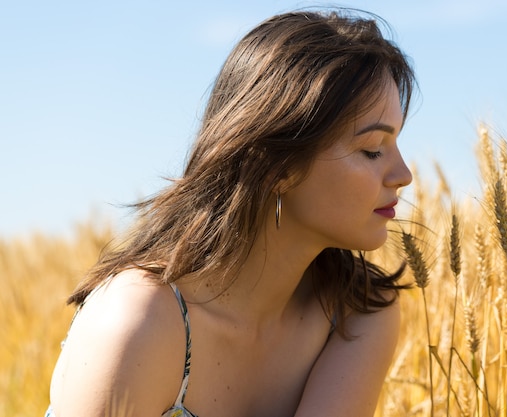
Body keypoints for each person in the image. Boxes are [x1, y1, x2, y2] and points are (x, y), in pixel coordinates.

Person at [46, 8, 416, 417]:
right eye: (373, 150)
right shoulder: (136, 323)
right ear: (278, 166)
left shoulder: (358, 313)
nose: (403, 175)